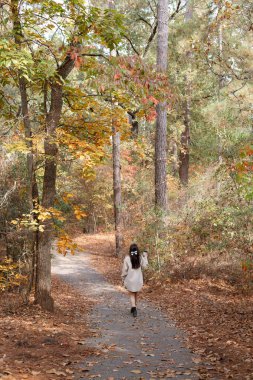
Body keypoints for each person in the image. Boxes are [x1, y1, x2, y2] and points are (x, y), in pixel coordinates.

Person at [121, 243, 148, 317]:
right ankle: (134, 307)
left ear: (130, 250)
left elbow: (124, 270)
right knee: (135, 293)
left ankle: (134, 307)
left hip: (130, 279)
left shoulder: (127, 258)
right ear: (137, 250)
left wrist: (123, 277)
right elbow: (145, 266)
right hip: (138, 279)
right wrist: (145, 257)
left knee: (131, 293)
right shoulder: (140, 257)